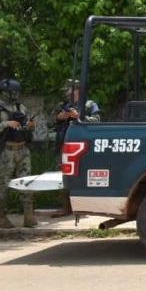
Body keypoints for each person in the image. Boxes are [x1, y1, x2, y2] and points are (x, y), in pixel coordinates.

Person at [0, 78, 36, 228]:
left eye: (17, 92)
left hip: (22, 150)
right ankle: (0, 218)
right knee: (1, 186)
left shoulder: (21, 108)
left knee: (27, 183)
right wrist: (5, 124)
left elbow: (27, 127)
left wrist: (30, 126)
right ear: (4, 93)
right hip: (5, 151)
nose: (15, 95)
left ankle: (29, 216)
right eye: (13, 92)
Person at [51, 78, 100, 216]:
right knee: (64, 177)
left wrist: (79, 117)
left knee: (86, 175)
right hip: (65, 146)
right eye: (67, 90)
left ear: (79, 90)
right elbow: (48, 122)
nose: (67, 92)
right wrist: (60, 117)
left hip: (84, 147)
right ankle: (66, 207)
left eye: (70, 89)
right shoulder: (62, 105)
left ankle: (88, 207)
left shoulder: (89, 105)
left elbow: (97, 121)